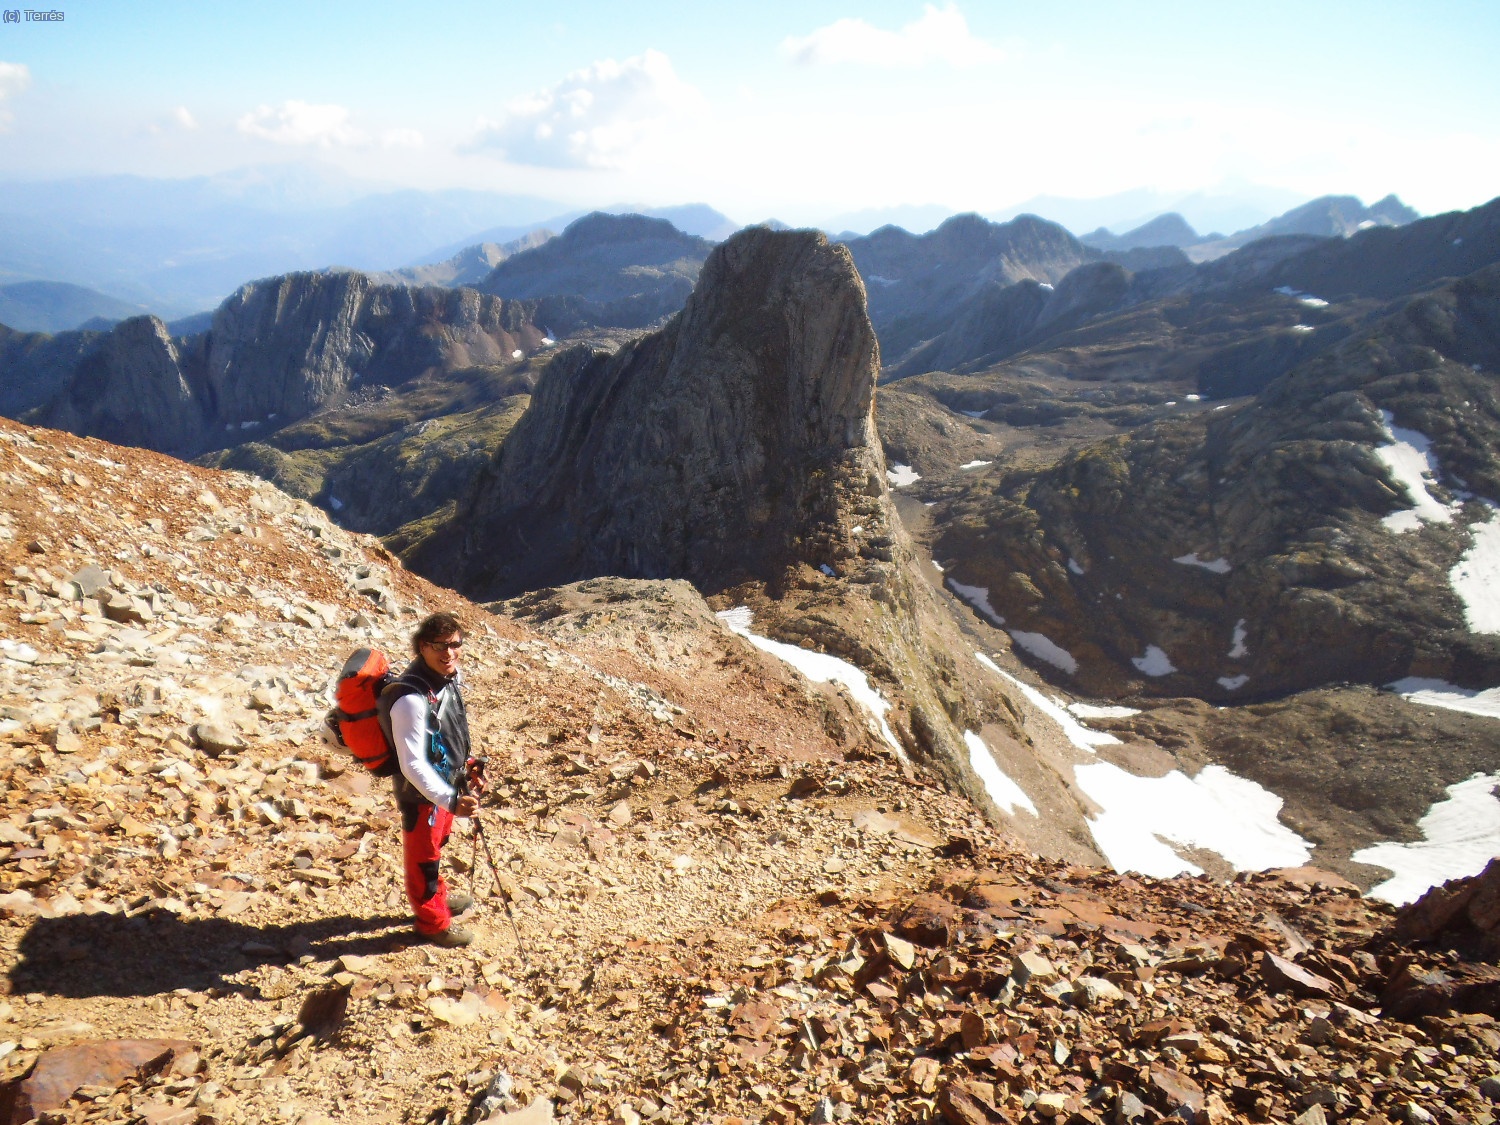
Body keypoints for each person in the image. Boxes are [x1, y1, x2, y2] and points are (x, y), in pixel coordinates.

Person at [377, 612, 487, 947]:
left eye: (455, 644)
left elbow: (449, 732)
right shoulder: (411, 699)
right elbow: (412, 764)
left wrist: (468, 765)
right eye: (440, 646)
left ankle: (436, 899)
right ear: (423, 647)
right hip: (423, 796)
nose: (450, 653)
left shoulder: (447, 679)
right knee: (423, 859)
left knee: (435, 849)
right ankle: (432, 923)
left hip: (446, 786)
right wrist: (451, 799)